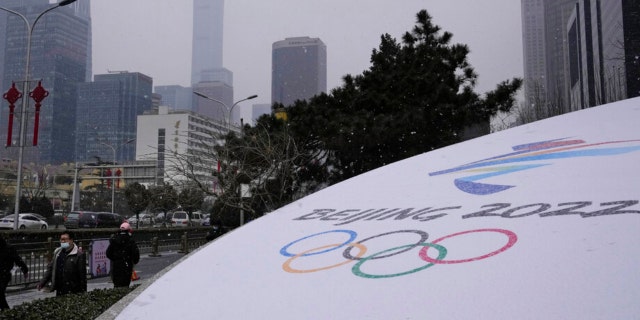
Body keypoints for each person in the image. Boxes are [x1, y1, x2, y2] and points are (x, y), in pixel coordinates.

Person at [37, 231, 87, 296]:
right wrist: (42, 283)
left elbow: (82, 276)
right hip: (60, 290)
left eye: (65, 239)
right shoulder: (58, 253)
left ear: (71, 240)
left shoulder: (79, 255)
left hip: (73, 291)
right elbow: (50, 268)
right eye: (61, 239)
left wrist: (83, 293)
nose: (62, 241)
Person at [106, 222, 140, 288]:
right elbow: (135, 254)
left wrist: (115, 259)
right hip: (127, 265)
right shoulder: (130, 240)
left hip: (116, 266)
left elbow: (108, 253)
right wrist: (133, 261)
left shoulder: (114, 240)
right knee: (125, 284)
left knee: (117, 284)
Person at [0, 237, 28, 311]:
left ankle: (6, 310)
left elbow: (17, 259)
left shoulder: (9, 248)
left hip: (4, 274)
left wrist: (24, 270)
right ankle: (5, 310)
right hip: (3, 273)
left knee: (0, 292)